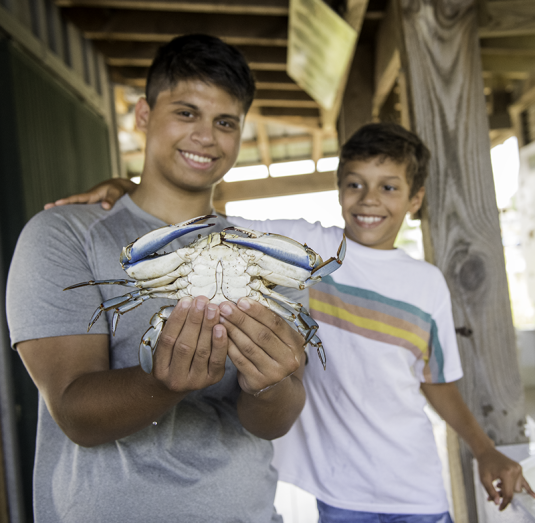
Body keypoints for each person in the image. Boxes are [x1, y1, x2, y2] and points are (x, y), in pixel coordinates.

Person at [56, 122, 535, 522]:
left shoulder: (427, 283)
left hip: (418, 488)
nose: (369, 199)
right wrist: (130, 193)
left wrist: (484, 448)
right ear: (339, 189)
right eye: (355, 184)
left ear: (415, 199)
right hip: (337, 494)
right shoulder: (304, 247)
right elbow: (204, 222)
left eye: (389, 187)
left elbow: (437, 382)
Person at [6, 34, 308, 523]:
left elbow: (275, 419)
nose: (206, 136)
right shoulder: (64, 236)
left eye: (225, 121)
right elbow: (74, 411)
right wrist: (162, 385)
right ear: (144, 115)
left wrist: (270, 384)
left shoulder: (266, 258)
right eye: (186, 112)